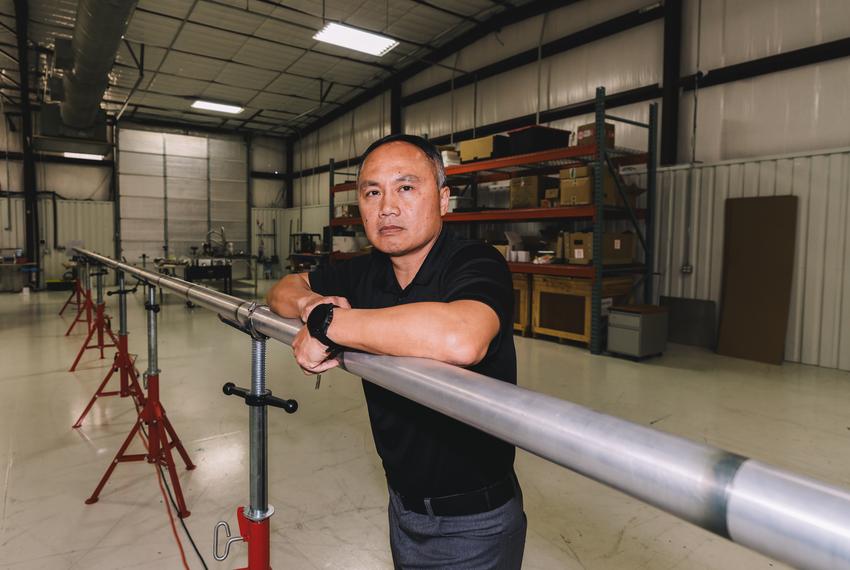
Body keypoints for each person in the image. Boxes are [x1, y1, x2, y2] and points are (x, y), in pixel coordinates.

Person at [267, 133, 526, 569]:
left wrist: (327, 324)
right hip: (403, 508)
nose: (387, 206)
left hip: (474, 520)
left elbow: (461, 337)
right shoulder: (365, 271)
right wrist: (310, 304)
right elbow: (283, 289)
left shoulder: (475, 262)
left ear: (444, 200)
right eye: (372, 192)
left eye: (406, 187)